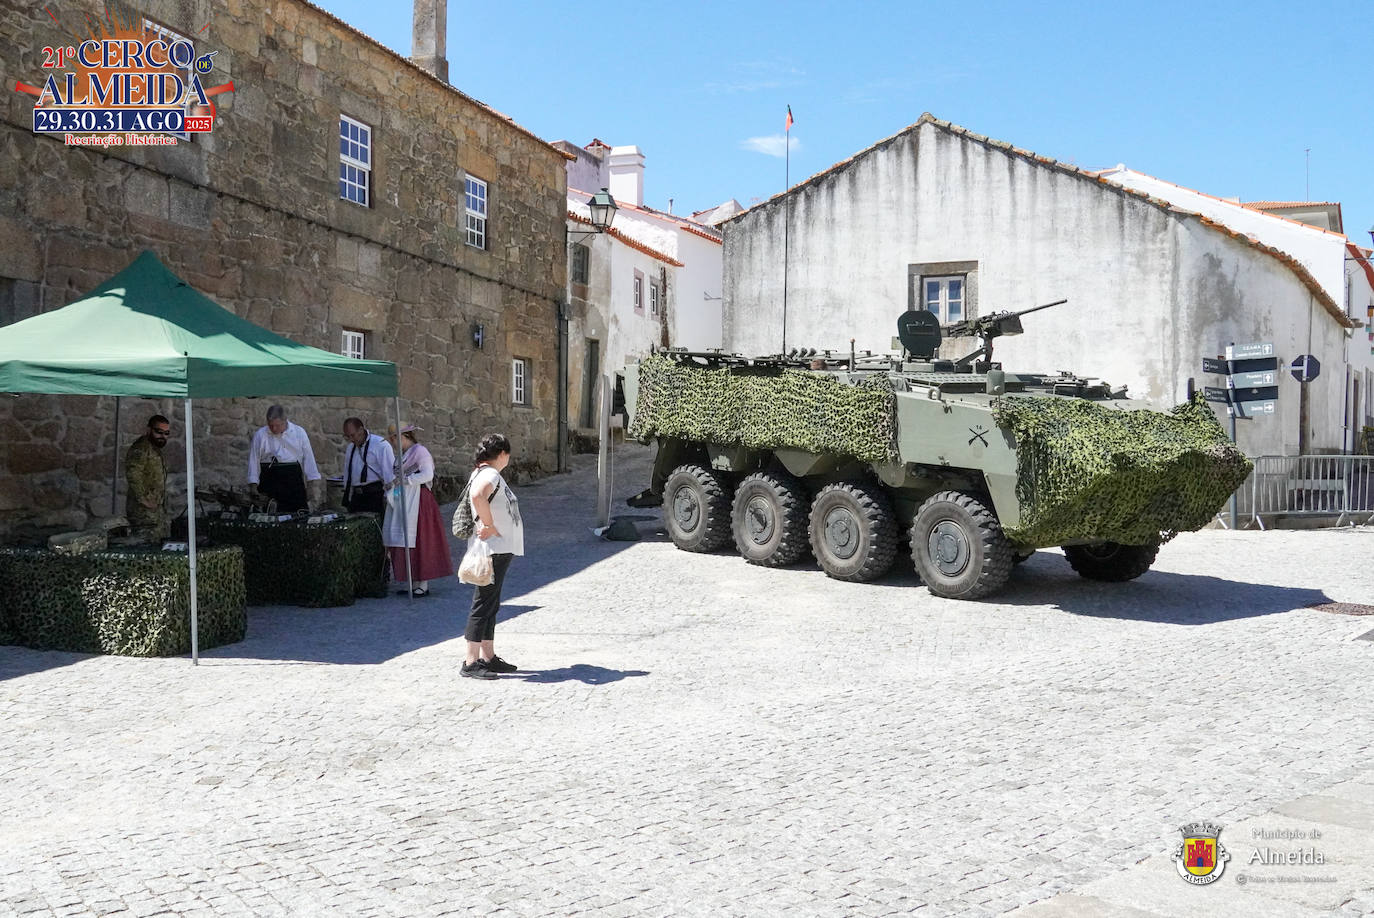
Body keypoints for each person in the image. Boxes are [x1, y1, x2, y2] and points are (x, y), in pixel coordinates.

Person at [460, 433, 524, 680]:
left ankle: (487, 656)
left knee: (490, 603)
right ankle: (471, 661)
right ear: (502, 454)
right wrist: (489, 524)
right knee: (483, 603)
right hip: (493, 548)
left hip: (498, 547)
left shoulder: (484, 472)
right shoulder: (489, 474)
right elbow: (478, 495)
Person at [382, 424, 453, 597]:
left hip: (419, 501)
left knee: (421, 540)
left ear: (402, 436)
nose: (392, 443)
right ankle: (413, 582)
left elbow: (427, 475)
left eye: (393, 438)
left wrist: (407, 480)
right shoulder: (401, 455)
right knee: (406, 540)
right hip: (405, 500)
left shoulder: (420, 452)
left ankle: (423, 583)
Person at [247, 405, 321, 514]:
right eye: (271, 425)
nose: (274, 429)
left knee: (297, 515)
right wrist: (253, 485)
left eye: (277, 425)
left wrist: (312, 485)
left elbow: (309, 458)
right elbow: (253, 461)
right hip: (269, 480)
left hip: (292, 480)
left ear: (285, 421)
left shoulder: (299, 433)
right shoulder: (260, 435)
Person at [126, 415, 171, 538]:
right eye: (159, 432)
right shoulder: (141, 448)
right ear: (148, 430)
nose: (163, 436)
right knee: (146, 544)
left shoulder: (154, 449)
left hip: (155, 510)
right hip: (143, 512)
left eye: (166, 433)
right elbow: (133, 473)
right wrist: (143, 499)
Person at [341, 417, 392, 514]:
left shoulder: (380, 445)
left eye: (353, 435)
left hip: (375, 495)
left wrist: (388, 498)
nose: (351, 439)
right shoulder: (350, 448)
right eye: (347, 437)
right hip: (357, 497)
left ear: (361, 430)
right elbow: (348, 472)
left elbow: (389, 474)